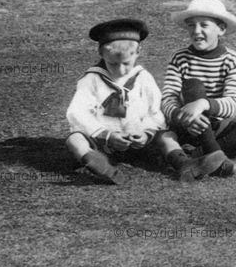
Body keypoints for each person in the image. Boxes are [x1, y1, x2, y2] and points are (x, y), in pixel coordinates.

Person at [159, 0, 236, 178]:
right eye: (191, 25)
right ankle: (215, 156)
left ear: (221, 29)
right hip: (186, 125)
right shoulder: (180, 58)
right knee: (193, 87)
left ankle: (198, 156)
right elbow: (168, 98)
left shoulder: (232, 60)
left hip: (217, 125)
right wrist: (185, 117)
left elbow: (233, 103)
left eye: (204, 25)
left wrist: (204, 104)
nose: (196, 31)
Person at [66, 19, 179, 184]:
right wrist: (106, 135)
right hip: (104, 144)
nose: (120, 70)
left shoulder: (143, 78)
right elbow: (77, 113)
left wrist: (145, 133)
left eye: (126, 63)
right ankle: (98, 164)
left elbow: (155, 112)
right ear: (101, 53)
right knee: (74, 139)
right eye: (113, 63)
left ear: (138, 52)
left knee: (168, 135)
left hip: (138, 143)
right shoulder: (92, 79)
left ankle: (182, 162)